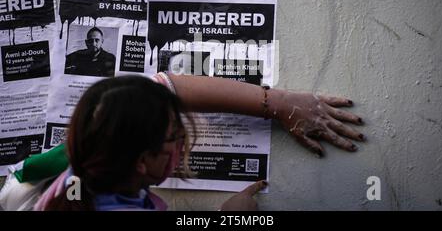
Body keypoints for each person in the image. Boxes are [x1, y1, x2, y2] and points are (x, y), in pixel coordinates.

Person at [36, 72, 364, 211]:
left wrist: (278, 103)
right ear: (140, 162)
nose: (185, 143)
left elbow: (161, 87)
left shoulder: (90, 156)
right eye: (176, 137)